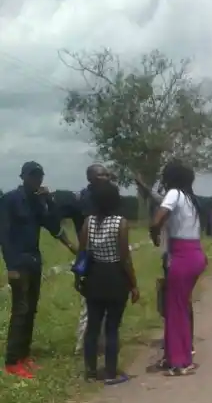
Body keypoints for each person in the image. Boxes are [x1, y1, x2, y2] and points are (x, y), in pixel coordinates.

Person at [0, 161, 77, 378]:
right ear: (23, 177)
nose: (36, 180)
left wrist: (49, 201)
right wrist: (11, 266)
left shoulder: (37, 202)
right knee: (21, 310)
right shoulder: (10, 200)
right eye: (32, 176)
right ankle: (12, 361)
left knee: (31, 309)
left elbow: (53, 225)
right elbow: (4, 235)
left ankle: (24, 356)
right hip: (19, 263)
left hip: (34, 261)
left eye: (39, 176)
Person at [77, 180, 139, 384]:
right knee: (112, 326)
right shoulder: (120, 222)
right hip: (114, 276)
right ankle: (111, 371)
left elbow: (83, 252)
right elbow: (124, 257)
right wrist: (133, 284)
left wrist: (79, 276)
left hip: (94, 275)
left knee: (93, 326)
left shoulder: (89, 222)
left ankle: (90, 371)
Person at [150, 160, 207, 376]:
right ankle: (178, 356)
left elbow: (159, 218)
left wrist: (153, 233)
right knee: (181, 307)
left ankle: (179, 362)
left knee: (174, 310)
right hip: (195, 254)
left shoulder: (173, 194)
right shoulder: (190, 198)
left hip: (181, 256)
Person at [62, 164, 113, 355]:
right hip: (90, 254)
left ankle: (100, 343)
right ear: (91, 177)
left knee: (107, 303)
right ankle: (83, 345)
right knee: (89, 303)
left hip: (108, 254)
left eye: (107, 174)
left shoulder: (107, 196)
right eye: (102, 174)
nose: (106, 177)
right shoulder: (85, 199)